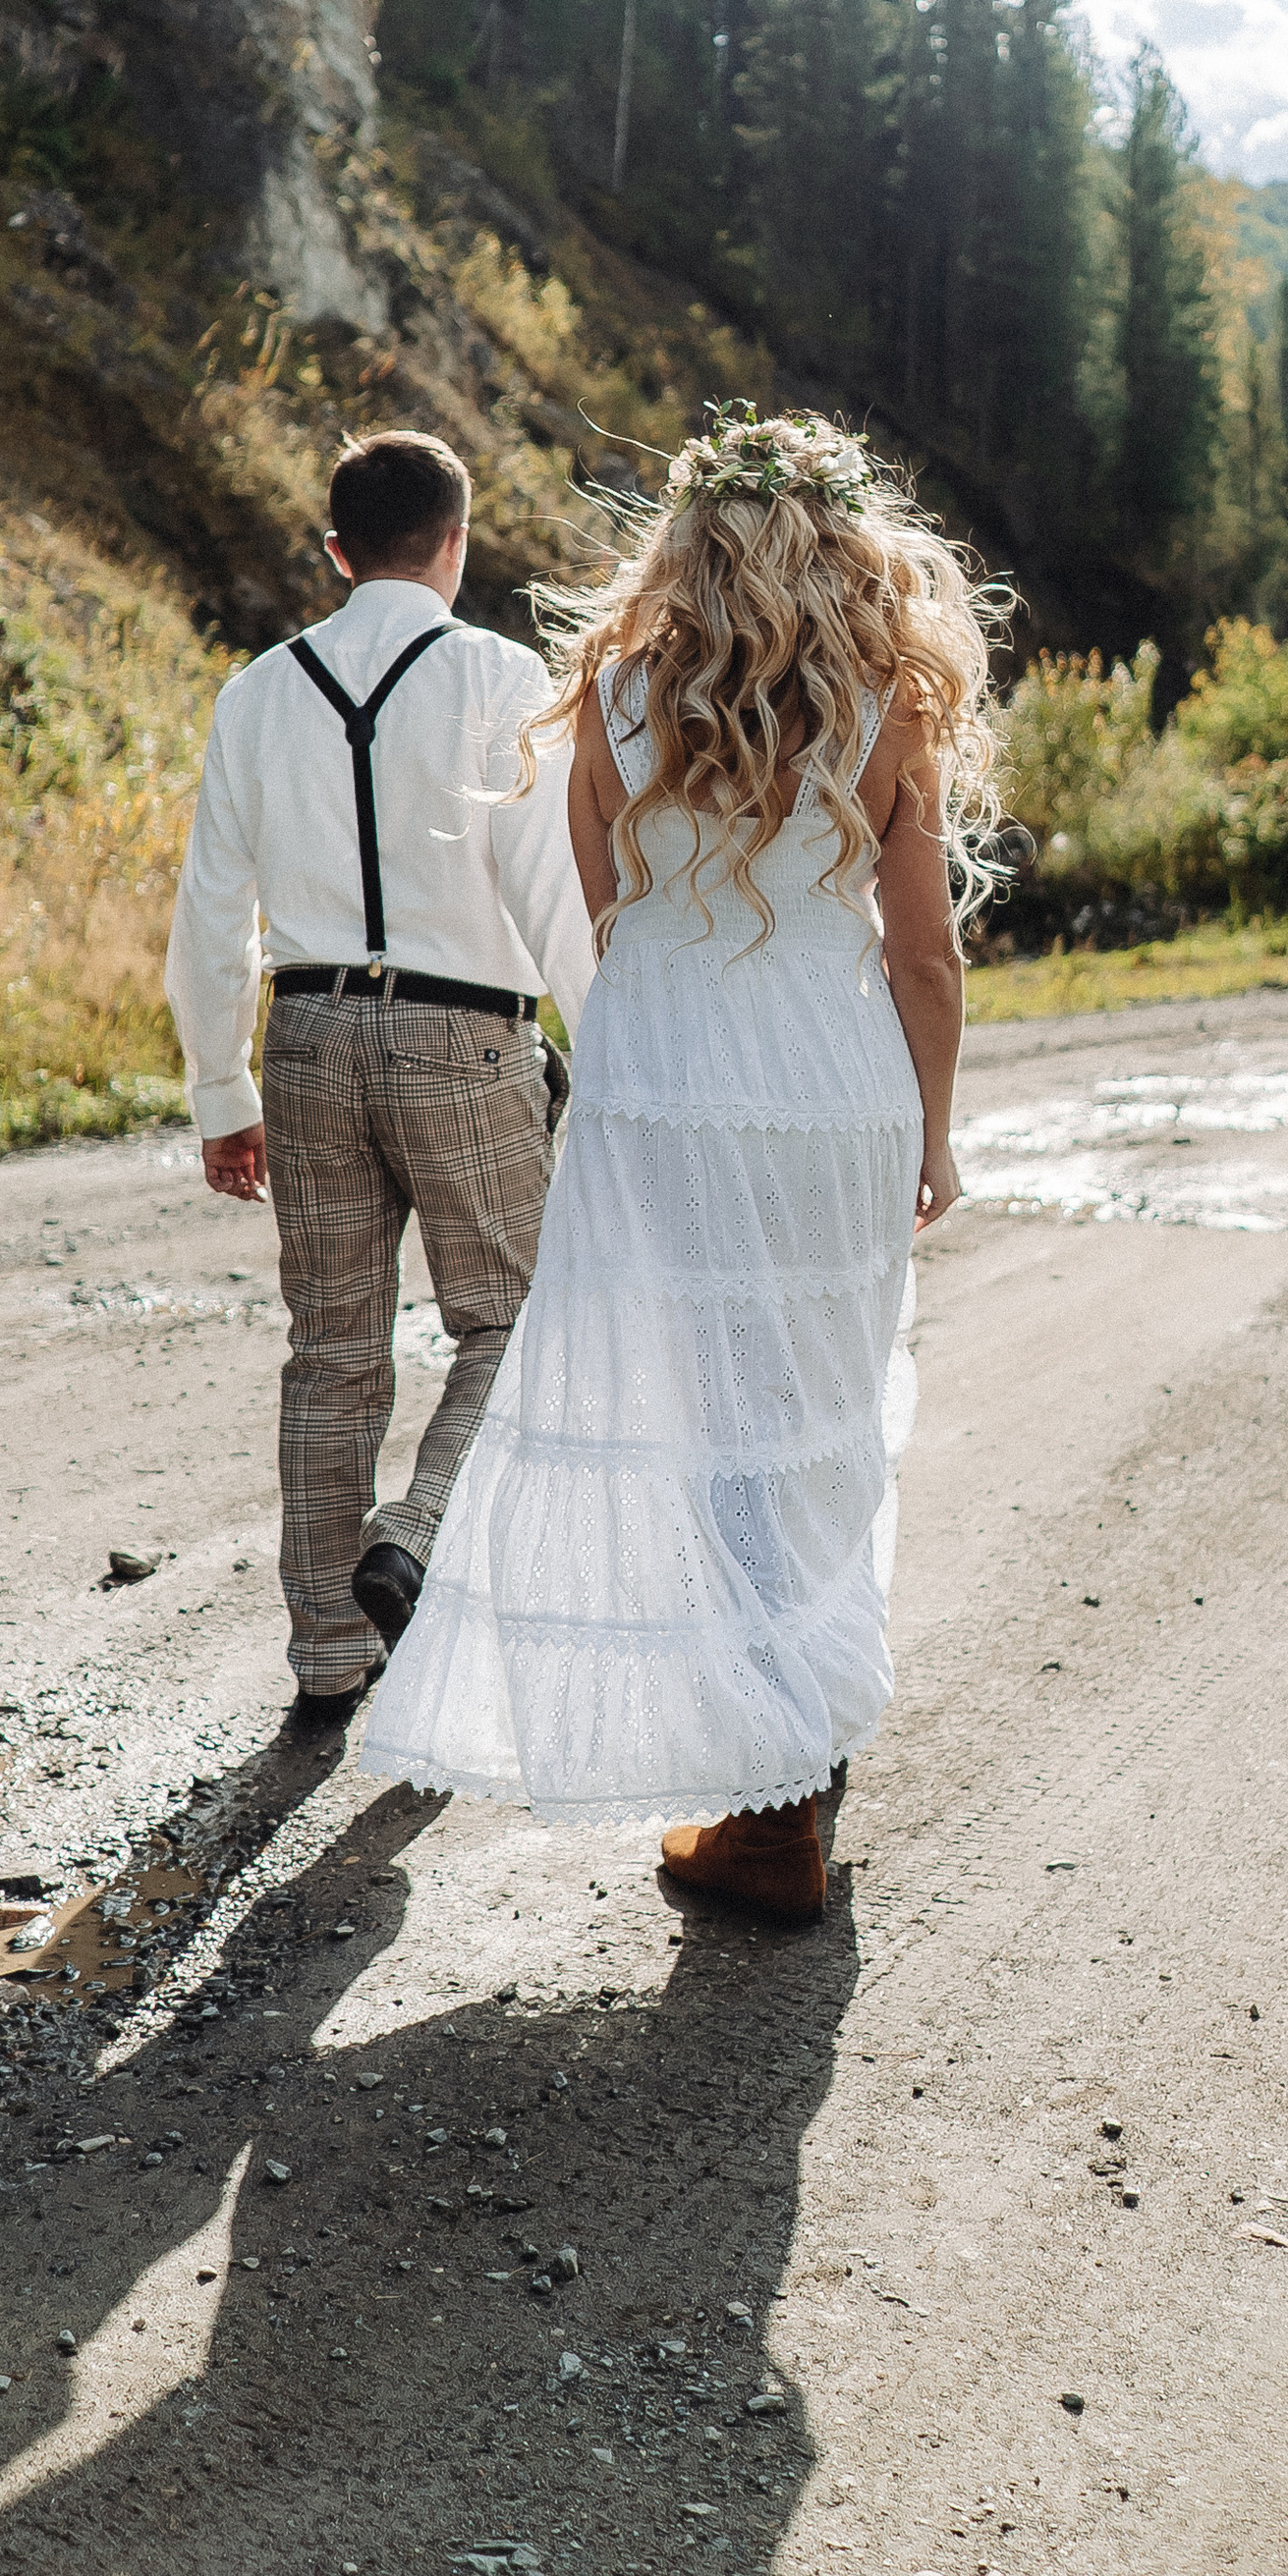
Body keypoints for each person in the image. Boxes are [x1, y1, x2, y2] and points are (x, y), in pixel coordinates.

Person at [358, 404, 1004, 1920]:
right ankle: (790, 1788)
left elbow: (610, 927)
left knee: (716, 1433)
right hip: (833, 1096)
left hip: (669, 1100)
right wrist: (934, 1124)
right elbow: (927, 958)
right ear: (848, 543)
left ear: (685, 543)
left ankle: (766, 1798)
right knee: (822, 1423)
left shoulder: (612, 696)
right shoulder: (887, 705)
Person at [164, 428, 596, 1721]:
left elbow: (207, 915)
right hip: (467, 1034)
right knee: (511, 1322)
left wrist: (220, 1093)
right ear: (455, 544)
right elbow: (556, 893)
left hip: (303, 1039)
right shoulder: (504, 676)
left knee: (333, 1348)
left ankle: (325, 1655)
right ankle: (416, 1534)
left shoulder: (254, 692)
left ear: (336, 550)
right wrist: (610, 1052)